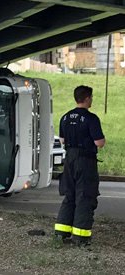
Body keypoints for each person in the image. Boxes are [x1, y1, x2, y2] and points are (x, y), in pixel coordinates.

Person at [55, 86, 105, 247]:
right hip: (85, 160)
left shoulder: (65, 117)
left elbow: (62, 140)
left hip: (69, 158)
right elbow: (99, 143)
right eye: (91, 97)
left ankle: (61, 233)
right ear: (87, 98)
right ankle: (80, 237)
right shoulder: (91, 118)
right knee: (85, 196)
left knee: (70, 194)